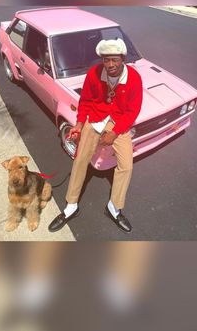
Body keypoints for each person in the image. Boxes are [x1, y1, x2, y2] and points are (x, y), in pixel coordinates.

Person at [48, 38, 143, 233]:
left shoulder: (134, 77)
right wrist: (80, 124)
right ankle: (71, 206)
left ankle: (114, 207)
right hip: (95, 118)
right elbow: (85, 101)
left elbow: (132, 111)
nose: (110, 65)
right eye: (106, 60)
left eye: (114, 60)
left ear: (122, 59)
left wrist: (114, 133)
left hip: (118, 123)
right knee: (80, 159)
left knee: (126, 165)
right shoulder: (94, 73)